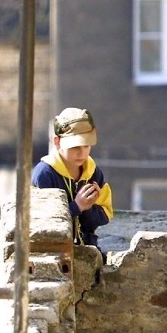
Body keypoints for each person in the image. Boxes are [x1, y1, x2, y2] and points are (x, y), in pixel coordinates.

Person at [31, 107, 113, 253]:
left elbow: (104, 217)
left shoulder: (93, 171)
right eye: (74, 146)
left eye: (86, 145)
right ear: (57, 142)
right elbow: (43, 223)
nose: (81, 153)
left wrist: (89, 208)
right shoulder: (44, 174)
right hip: (53, 252)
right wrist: (77, 206)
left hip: (88, 250)